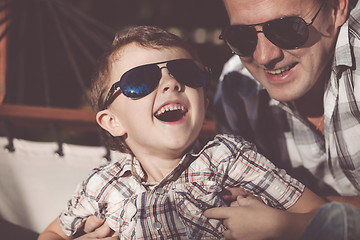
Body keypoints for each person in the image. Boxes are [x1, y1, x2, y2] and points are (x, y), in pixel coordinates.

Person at [37, 25, 325, 240]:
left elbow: (323, 218)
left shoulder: (229, 158)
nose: (171, 83)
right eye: (141, 80)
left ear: (204, 103)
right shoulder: (101, 186)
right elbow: (52, 233)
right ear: (112, 122)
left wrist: (279, 226)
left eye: (187, 73)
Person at [204, 0, 360, 239]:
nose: (264, 56)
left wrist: (293, 222)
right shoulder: (237, 86)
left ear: (337, 9)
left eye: (286, 29)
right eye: (242, 36)